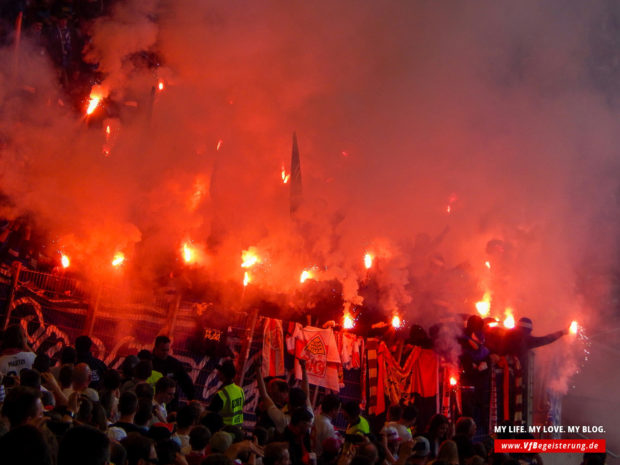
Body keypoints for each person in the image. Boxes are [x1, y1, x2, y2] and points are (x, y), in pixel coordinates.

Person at [151, 335, 194, 405]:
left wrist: (192, 398)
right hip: (153, 400)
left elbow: (186, 381)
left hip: (170, 404)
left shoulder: (174, 364)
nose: (165, 352)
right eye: (163, 350)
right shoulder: (149, 362)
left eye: (167, 350)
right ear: (156, 348)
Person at [209, 359, 245, 426]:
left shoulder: (221, 394)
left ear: (223, 374)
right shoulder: (240, 390)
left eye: (219, 371)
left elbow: (211, 413)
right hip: (237, 429)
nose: (217, 373)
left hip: (224, 429)